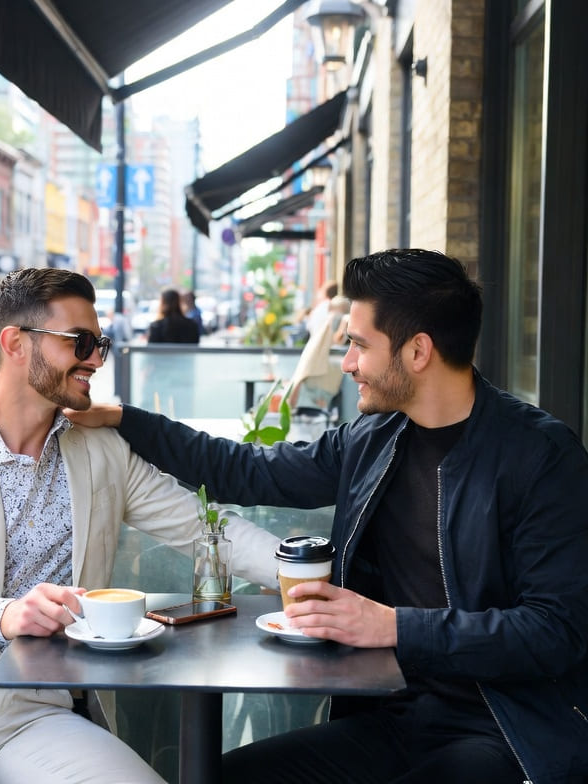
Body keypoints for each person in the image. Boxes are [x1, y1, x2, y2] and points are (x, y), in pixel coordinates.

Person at [68, 249, 588, 784]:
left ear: (418, 351)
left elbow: (556, 630)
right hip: (393, 716)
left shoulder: (541, 457)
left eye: (359, 344)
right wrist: (127, 419)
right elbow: (247, 471)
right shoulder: (375, 438)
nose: (347, 363)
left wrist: (393, 626)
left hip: (505, 730)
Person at [0, 267, 280, 784]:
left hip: (39, 711)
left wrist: (312, 574)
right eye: (79, 342)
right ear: (15, 343)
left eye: (99, 344)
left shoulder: (105, 454)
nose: (96, 360)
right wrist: (5, 616)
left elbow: (208, 529)